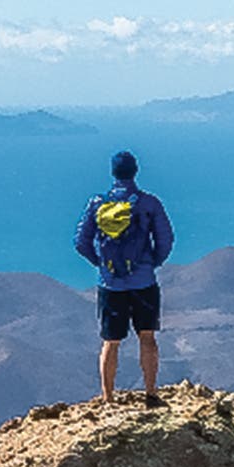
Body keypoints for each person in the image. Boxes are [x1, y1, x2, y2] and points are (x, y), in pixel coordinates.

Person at [73, 150, 175, 405]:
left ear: (113, 172)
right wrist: (152, 263)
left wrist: (101, 264)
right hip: (144, 282)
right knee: (147, 337)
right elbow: (166, 239)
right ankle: (151, 393)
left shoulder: (98, 203)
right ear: (135, 171)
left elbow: (80, 242)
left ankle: (108, 397)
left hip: (111, 284)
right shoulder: (149, 203)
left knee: (111, 341)